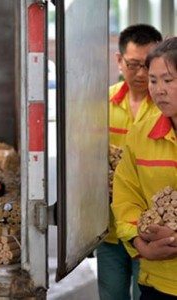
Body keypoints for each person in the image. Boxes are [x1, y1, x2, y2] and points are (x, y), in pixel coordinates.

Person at [97, 24, 162, 300]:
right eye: (133, 64)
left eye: (148, 65)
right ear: (119, 60)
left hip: (152, 230)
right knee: (112, 294)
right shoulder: (100, 103)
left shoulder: (165, 106)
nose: (141, 74)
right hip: (110, 230)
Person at [112, 36, 177, 299]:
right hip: (157, 282)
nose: (158, 89)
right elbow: (126, 197)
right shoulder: (141, 133)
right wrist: (140, 244)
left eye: (168, 80)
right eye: (153, 80)